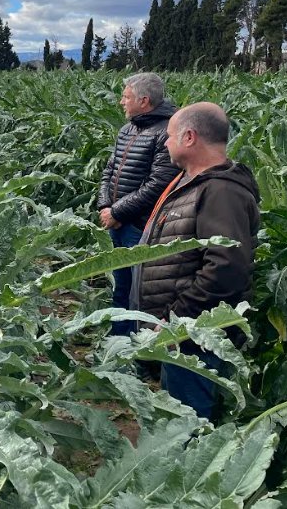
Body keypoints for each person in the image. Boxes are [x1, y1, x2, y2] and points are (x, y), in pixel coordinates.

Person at [134, 102, 260, 419]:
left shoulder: (221, 192)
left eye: (170, 136)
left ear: (189, 137)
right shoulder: (191, 181)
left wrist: (175, 320)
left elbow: (226, 270)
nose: (165, 142)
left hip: (194, 334)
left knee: (189, 420)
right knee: (177, 409)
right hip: (180, 331)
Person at [97, 72, 179, 335]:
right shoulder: (127, 129)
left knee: (139, 293)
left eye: (126, 96)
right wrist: (104, 206)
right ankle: (117, 343)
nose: (122, 102)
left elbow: (158, 184)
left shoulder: (166, 132)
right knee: (121, 286)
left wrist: (118, 211)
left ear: (143, 101)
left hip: (141, 226)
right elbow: (109, 170)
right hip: (118, 222)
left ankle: (138, 352)